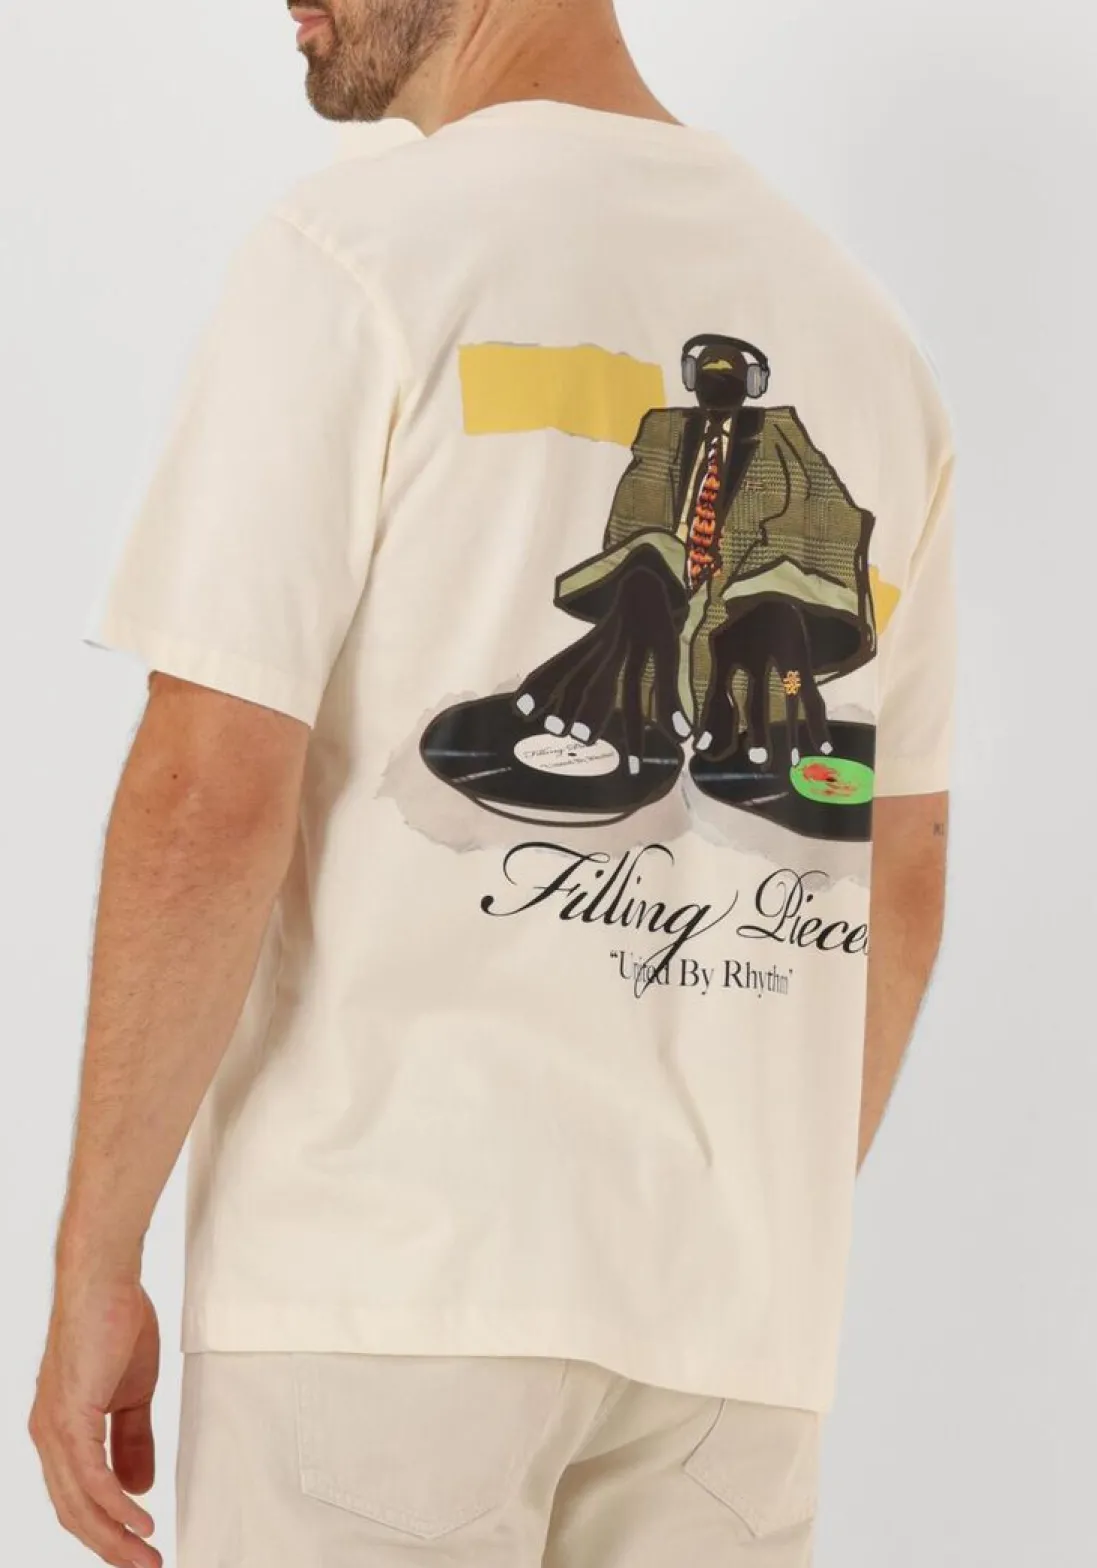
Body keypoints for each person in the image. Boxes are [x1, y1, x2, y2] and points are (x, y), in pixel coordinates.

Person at [29, 1, 955, 1565]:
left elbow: (210, 786)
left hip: (389, 1286)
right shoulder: (868, 339)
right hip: (729, 1341)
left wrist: (93, 1257)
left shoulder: (359, 258)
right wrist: (749, 1229)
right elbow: (902, 872)